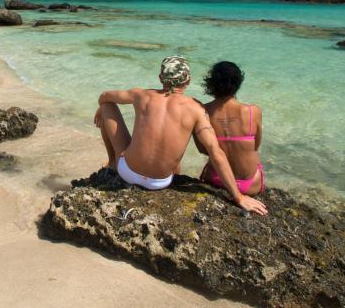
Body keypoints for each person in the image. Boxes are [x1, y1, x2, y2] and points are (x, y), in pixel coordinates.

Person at [94, 56, 267, 215]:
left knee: (106, 107)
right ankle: (117, 164)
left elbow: (104, 96)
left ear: (161, 78)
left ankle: (113, 163)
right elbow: (216, 152)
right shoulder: (196, 109)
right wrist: (238, 197)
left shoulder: (141, 95)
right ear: (188, 80)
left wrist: (102, 108)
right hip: (161, 182)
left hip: (128, 172)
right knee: (173, 154)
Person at [196, 61, 265, 196]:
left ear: (211, 83)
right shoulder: (253, 111)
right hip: (249, 184)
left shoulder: (202, 111)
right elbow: (256, 145)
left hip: (216, 179)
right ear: (238, 83)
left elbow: (202, 150)